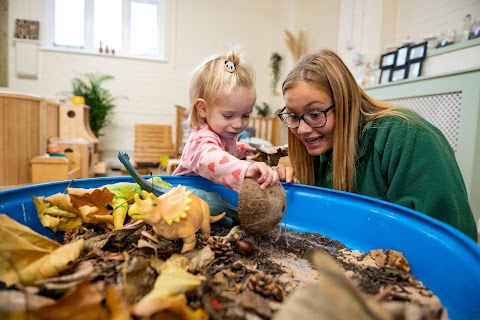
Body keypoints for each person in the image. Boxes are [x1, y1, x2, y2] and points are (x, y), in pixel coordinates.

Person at [275, 49, 477, 241]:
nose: (301, 130)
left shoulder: (407, 136)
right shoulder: (322, 146)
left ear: (345, 103)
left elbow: (445, 235)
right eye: (293, 116)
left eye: (315, 114)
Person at [173, 50, 279, 192]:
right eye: (228, 116)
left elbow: (224, 148)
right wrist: (246, 168)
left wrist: (241, 149)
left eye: (245, 115)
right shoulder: (200, 139)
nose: (238, 124)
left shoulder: (222, 134)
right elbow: (212, 159)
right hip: (185, 198)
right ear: (203, 108)